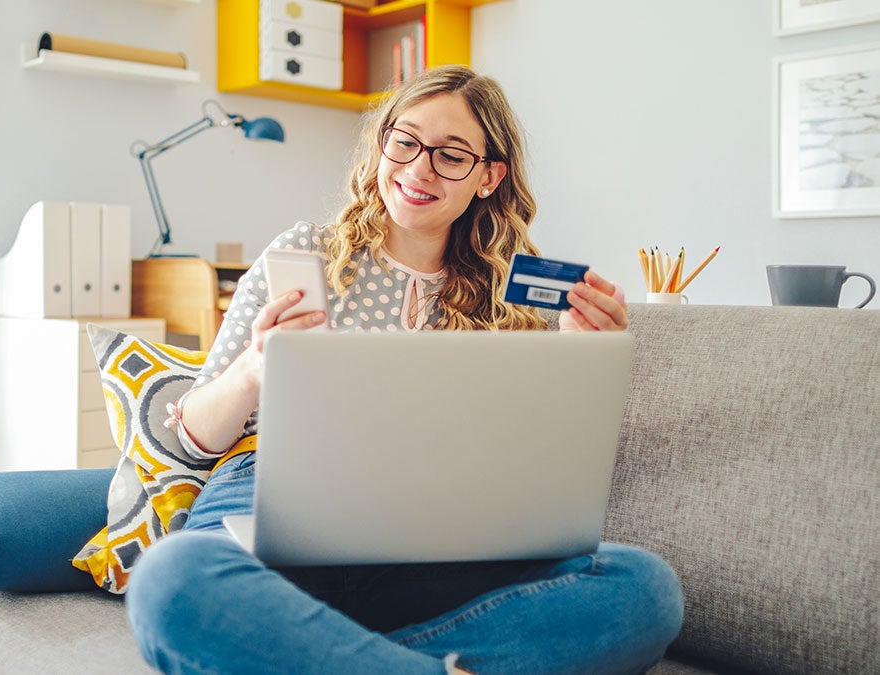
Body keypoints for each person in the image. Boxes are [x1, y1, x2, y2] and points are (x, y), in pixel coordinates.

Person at [125, 65, 684, 675]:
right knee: (173, 580)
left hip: (434, 543)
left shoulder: (519, 297)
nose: (418, 168)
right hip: (271, 512)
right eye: (406, 141)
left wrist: (587, 360)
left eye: (450, 155)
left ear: (489, 176)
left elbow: (543, 469)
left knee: (643, 586)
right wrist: (255, 371)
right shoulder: (304, 253)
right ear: (384, 141)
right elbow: (193, 437)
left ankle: (329, 656)